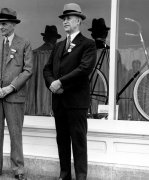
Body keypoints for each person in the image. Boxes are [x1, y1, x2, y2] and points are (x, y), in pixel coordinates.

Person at [43, 3, 97, 180]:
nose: (65, 21)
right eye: (63, 18)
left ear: (79, 21)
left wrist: (60, 83)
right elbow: (47, 69)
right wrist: (52, 83)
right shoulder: (58, 45)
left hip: (76, 102)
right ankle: (64, 175)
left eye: (68, 18)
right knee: (62, 140)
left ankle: (81, 176)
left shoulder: (88, 44)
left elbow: (83, 70)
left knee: (79, 142)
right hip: (59, 102)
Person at [0, 7, 33, 180]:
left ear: (12, 25)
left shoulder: (24, 44)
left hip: (14, 97)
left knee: (15, 134)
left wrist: (10, 87)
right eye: (0, 24)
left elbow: (28, 71)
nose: (1, 27)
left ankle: (18, 170)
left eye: (4, 24)